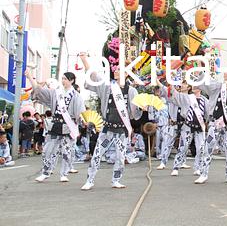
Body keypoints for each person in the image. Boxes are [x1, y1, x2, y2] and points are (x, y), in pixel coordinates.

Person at [79, 53, 142, 190]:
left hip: (122, 130)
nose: (116, 71)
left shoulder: (131, 91)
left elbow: (135, 114)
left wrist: (142, 108)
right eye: (116, 69)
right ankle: (90, 179)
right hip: (107, 129)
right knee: (97, 154)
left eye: (120, 69)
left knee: (120, 157)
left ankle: (116, 179)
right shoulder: (107, 86)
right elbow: (94, 76)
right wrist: (84, 60)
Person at [26, 69, 86, 183]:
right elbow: (40, 91)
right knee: (48, 150)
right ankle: (45, 172)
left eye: (65, 79)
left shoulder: (76, 96)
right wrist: (30, 77)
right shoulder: (56, 92)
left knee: (66, 151)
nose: (63, 81)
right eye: (62, 78)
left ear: (71, 81)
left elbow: (80, 113)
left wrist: (82, 122)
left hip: (68, 125)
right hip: (55, 124)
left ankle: (64, 173)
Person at [195, 64, 227, 184]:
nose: (225, 73)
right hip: (215, 123)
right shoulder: (218, 87)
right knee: (208, 148)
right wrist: (202, 71)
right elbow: (206, 82)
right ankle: (203, 173)